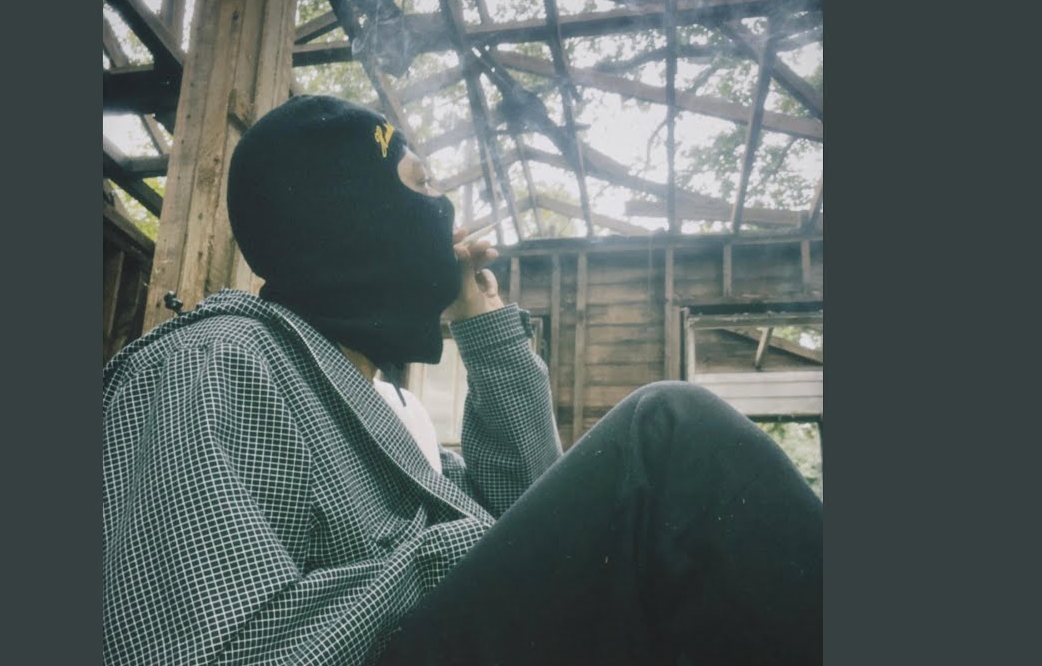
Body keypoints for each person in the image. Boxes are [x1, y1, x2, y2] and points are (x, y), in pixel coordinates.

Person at [102, 95, 822, 665]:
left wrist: (486, 327)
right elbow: (194, 649)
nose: (447, 217)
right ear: (350, 216)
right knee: (669, 437)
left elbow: (525, 509)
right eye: (422, 189)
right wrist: (473, 547)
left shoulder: (387, 407)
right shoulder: (213, 360)